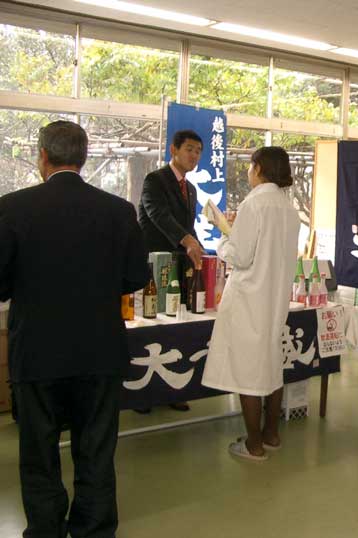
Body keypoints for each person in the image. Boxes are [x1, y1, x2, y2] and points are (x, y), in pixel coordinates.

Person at [0, 120, 148, 537]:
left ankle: (45, 529)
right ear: (83, 159)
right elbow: (136, 276)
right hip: (99, 350)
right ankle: (94, 529)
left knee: (39, 451)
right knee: (96, 449)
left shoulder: (11, 208)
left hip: (37, 351)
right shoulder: (118, 211)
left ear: (42, 156)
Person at [202, 146, 300, 461]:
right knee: (271, 367)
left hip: (248, 300)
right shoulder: (288, 208)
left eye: (250, 166)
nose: (248, 171)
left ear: (258, 168)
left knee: (248, 373)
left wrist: (222, 238)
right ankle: (271, 434)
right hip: (274, 299)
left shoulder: (254, 203)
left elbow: (241, 256)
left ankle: (253, 445)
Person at [137, 129, 205, 412]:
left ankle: (171, 391)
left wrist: (199, 247)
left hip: (180, 268)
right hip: (154, 265)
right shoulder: (155, 180)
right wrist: (187, 240)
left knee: (177, 327)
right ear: (173, 150)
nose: (194, 155)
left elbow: (189, 228)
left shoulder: (191, 189)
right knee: (150, 325)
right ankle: (143, 396)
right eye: (189, 149)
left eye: (198, 151)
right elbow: (158, 215)